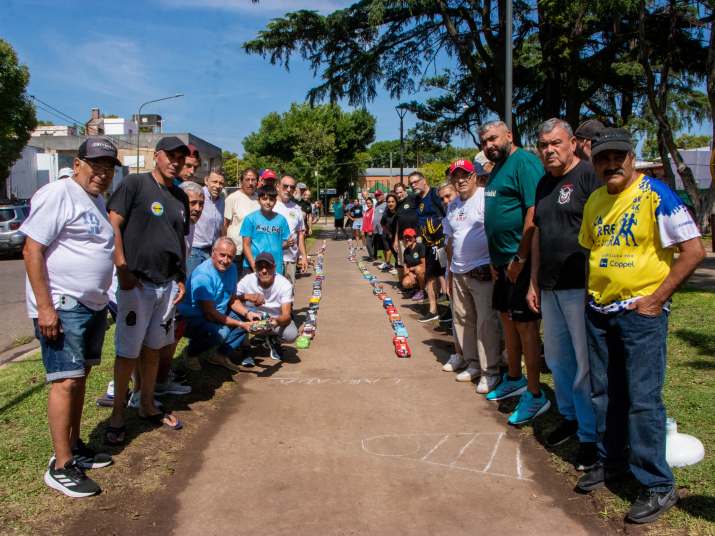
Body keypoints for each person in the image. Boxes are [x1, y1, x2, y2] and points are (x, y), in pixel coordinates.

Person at [576, 128, 704, 523]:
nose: (611, 164)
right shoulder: (596, 199)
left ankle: (656, 484)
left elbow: (693, 250)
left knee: (642, 399)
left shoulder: (655, 194)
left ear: (632, 158)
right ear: (594, 161)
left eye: (618, 156)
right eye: (602, 158)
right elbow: (592, 251)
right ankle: (611, 460)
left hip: (640, 315)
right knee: (605, 393)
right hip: (600, 311)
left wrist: (656, 299)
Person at [22, 136, 119, 497]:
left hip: (90, 306)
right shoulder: (59, 193)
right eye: (96, 166)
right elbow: (32, 249)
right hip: (63, 305)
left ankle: (75, 446)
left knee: (79, 378)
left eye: (108, 168)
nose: (102, 174)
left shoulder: (94, 200)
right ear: (77, 164)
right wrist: (45, 307)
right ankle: (61, 465)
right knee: (64, 381)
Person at [526, 118, 600, 470]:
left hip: (580, 287)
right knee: (557, 360)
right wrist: (533, 281)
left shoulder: (588, 176)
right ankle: (569, 416)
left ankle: (590, 435)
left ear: (572, 142)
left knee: (584, 365)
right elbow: (538, 233)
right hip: (550, 286)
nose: (549, 150)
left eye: (555, 143)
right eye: (543, 145)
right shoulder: (543, 184)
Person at [106, 136, 190, 445]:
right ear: (157, 156)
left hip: (167, 285)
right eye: (171, 156)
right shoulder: (135, 184)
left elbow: (179, 240)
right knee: (128, 351)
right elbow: (112, 223)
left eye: (181, 158)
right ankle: (117, 415)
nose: (176, 162)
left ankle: (146, 404)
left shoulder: (180, 198)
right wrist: (122, 268)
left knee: (155, 348)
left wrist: (181, 276)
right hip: (136, 284)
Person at [480, 120, 550, 425]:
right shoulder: (497, 168)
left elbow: (533, 212)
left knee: (525, 327)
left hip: (518, 260)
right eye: (484, 141)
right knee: (507, 320)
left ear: (509, 135)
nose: (489, 145)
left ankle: (535, 394)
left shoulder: (524, 163)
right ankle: (514, 377)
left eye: (494, 138)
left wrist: (520, 258)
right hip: (501, 263)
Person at [442, 160, 502, 392]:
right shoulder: (453, 205)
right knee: (463, 319)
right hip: (458, 271)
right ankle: (473, 363)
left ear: (475, 176)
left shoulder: (487, 197)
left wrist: (493, 264)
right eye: (456, 176)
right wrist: (448, 270)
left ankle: (491, 371)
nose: (461, 180)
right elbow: (450, 239)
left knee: (486, 321)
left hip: (482, 269)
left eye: (465, 175)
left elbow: (496, 231)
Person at [179, 237, 259, 372]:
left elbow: (232, 299)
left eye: (230, 257)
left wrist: (248, 314)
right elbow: (210, 314)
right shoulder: (203, 275)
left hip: (217, 313)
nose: (226, 260)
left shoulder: (232, 268)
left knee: (249, 313)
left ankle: (219, 355)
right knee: (220, 332)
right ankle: (191, 353)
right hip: (194, 319)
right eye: (222, 255)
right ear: (213, 252)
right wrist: (240, 325)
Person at [235, 252, 298, 363]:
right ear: (255, 268)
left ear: (274, 268)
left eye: (268, 266)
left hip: (274, 320)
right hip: (252, 318)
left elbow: (286, 316)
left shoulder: (284, 284)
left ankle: (273, 340)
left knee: (291, 334)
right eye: (260, 267)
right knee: (235, 313)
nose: (264, 271)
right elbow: (230, 298)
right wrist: (248, 297)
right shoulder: (247, 280)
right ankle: (246, 349)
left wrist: (272, 323)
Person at [408, 171, 447, 323]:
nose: (413, 185)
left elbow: (446, 213)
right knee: (430, 276)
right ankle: (433, 310)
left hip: (442, 244)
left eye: (416, 181)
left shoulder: (435, 194)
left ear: (424, 180)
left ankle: (450, 310)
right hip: (428, 244)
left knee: (445, 276)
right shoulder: (417, 200)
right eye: (411, 183)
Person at [240, 185, 290, 275]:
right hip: (253, 266)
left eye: (271, 199)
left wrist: (288, 243)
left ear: (275, 201)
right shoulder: (250, 219)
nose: (268, 202)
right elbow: (246, 245)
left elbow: (283, 244)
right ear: (258, 200)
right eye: (264, 199)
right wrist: (254, 266)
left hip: (275, 267)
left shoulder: (282, 220)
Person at [187, 168, 225, 275]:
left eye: (221, 183)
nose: (217, 186)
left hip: (212, 251)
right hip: (195, 251)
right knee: (192, 284)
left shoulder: (222, 200)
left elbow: (221, 225)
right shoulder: (198, 195)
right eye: (214, 182)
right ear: (206, 180)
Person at [224, 168, 260, 276]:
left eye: (253, 180)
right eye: (247, 179)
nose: (250, 183)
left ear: (257, 182)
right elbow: (225, 224)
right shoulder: (232, 198)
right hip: (236, 251)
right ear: (241, 181)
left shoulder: (258, 198)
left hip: (253, 249)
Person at [275, 175, 308, 283]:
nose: (289, 189)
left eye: (292, 187)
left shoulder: (297, 208)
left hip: (291, 259)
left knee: (289, 294)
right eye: (285, 186)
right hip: (273, 259)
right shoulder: (270, 205)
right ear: (278, 186)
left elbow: (300, 235)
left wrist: (303, 256)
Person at [393, 183, 419, 279]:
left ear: (405, 190)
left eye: (401, 192)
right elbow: (398, 223)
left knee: (415, 261)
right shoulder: (398, 204)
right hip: (402, 238)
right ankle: (407, 284)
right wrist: (395, 240)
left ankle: (416, 286)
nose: (399, 195)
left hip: (414, 237)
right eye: (397, 193)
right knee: (404, 261)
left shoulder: (413, 198)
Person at [380, 193, 399, 274]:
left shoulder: (399, 211)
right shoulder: (386, 213)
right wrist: (389, 233)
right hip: (391, 236)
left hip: (401, 236)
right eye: (388, 202)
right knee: (395, 253)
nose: (390, 204)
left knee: (401, 255)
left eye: (392, 201)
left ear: (396, 202)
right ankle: (397, 268)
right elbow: (382, 224)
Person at [371, 191, 387, 266]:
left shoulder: (386, 204)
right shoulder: (377, 204)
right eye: (376, 196)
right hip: (377, 230)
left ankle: (390, 263)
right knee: (380, 246)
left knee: (386, 247)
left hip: (383, 230)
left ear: (382, 195)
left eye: (379, 195)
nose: (377, 197)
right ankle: (384, 261)